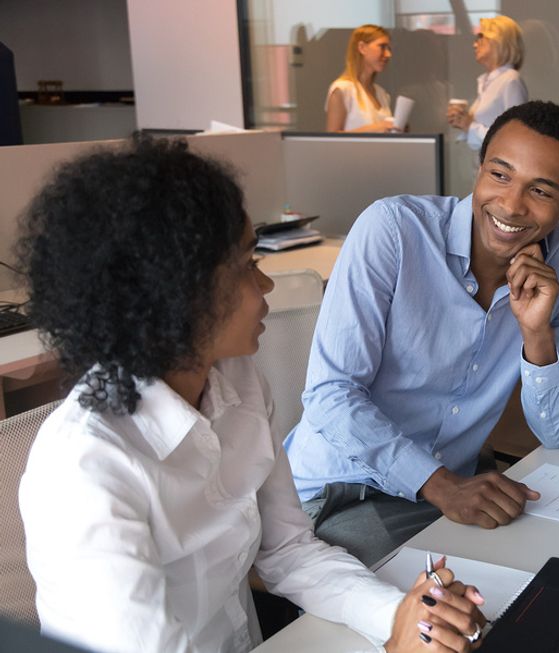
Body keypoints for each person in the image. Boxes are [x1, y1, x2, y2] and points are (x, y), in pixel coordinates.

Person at [17, 136, 485, 653]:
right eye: (245, 265)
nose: (265, 286)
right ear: (174, 293)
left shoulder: (237, 381)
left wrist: (401, 615)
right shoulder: (87, 469)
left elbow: (288, 550)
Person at [287, 101, 559, 566]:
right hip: (346, 489)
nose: (511, 204)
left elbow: (557, 431)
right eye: (499, 175)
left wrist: (537, 336)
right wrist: (441, 485)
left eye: (540, 190)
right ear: (478, 169)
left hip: (455, 484)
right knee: (447, 611)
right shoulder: (393, 230)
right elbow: (331, 395)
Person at [446, 16, 528, 153]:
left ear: (498, 41)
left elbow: (515, 138)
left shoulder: (510, 80)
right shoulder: (488, 81)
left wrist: (469, 125)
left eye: (480, 37)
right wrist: (462, 122)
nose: (475, 44)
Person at [325, 24, 397, 133]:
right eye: (382, 47)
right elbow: (332, 140)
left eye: (389, 49)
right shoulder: (342, 90)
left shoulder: (381, 94)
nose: (388, 54)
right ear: (362, 48)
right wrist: (377, 128)